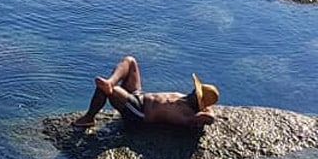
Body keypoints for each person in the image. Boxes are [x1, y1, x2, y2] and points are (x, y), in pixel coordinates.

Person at [72, 56, 219, 129]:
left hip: (139, 113)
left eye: (197, 93)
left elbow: (208, 119)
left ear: (200, 102)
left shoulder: (189, 116)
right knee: (130, 61)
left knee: (112, 91)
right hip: (139, 96)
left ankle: (88, 118)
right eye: (196, 89)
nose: (193, 91)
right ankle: (110, 81)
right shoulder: (186, 99)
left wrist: (208, 114)